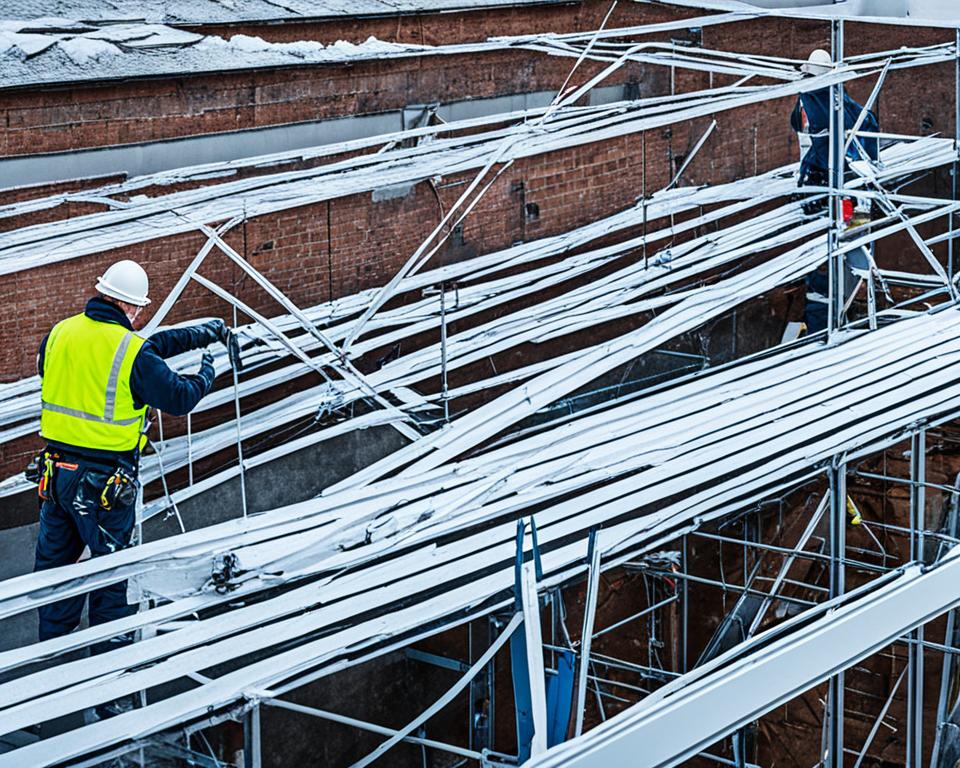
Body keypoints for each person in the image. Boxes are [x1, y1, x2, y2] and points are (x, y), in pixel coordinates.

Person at [31, 259, 236, 680]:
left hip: (57, 478)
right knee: (111, 582)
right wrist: (208, 370)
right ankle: (110, 685)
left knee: (54, 579)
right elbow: (177, 396)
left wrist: (201, 332)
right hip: (105, 487)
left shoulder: (60, 334)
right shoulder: (131, 352)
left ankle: (48, 680)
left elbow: (136, 351)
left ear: (101, 293)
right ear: (133, 308)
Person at [791, 48, 879, 216]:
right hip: (839, 155)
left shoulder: (807, 90)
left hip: (827, 152)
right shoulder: (830, 91)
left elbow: (796, 121)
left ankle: (845, 221)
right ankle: (853, 223)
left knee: (845, 195)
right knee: (852, 198)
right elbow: (856, 118)